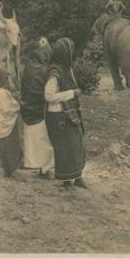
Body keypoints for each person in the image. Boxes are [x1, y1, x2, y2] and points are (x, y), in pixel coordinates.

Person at [44, 37, 87, 189]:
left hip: (69, 112)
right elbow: (48, 96)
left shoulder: (66, 68)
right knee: (65, 148)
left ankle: (77, 176)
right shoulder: (55, 72)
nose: (72, 54)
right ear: (64, 53)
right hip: (58, 114)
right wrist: (72, 93)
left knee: (76, 144)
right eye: (70, 51)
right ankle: (67, 180)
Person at [20, 37, 55, 179]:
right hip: (40, 109)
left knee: (34, 140)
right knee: (44, 140)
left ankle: (39, 167)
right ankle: (45, 169)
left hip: (28, 108)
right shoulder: (45, 70)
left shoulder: (27, 67)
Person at [0, 66, 23, 177]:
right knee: (11, 146)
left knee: (3, 146)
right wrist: (17, 102)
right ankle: (12, 170)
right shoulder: (3, 93)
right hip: (8, 125)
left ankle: (8, 169)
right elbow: (10, 108)